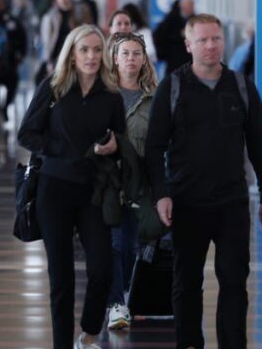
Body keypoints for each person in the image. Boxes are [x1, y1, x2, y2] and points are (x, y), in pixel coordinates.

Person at [146, 13, 262, 349]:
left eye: (216, 39)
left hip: (231, 203)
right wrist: (160, 195)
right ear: (188, 45)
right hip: (186, 202)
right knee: (186, 282)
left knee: (234, 281)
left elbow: (260, 144)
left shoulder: (243, 87)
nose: (210, 46)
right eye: (202, 40)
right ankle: (189, 343)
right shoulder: (172, 87)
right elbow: (154, 147)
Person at [18, 25, 127, 349]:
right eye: (85, 50)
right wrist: (61, 150)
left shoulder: (110, 95)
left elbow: (121, 139)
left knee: (102, 270)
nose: (92, 56)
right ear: (72, 53)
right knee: (61, 278)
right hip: (54, 190)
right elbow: (26, 134)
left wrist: (114, 146)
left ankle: (90, 333)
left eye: (97, 50)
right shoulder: (53, 88)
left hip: (93, 190)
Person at [104, 32, 157, 332]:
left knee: (128, 245)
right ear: (115, 57)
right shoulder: (103, 96)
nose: (131, 59)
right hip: (105, 184)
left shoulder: (153, 99)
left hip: (137, 186)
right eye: (125, 53)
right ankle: (115, 303)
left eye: (137, 53)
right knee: (111, 244)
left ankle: (119, 294)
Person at [38, 0, 79, 84]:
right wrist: (48, 61)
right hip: (56, 56)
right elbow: (46, 41)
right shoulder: (50, 16)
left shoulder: (78, 12)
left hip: (75, 56)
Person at [153, 0, 194, 75]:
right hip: (174, 59)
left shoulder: (194, 19)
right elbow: (160, 36)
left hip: (190, 60)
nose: (192, 8)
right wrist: (179, 34)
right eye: (190, 5)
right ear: (183, 6)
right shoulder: (171, 18)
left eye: (192, 5)